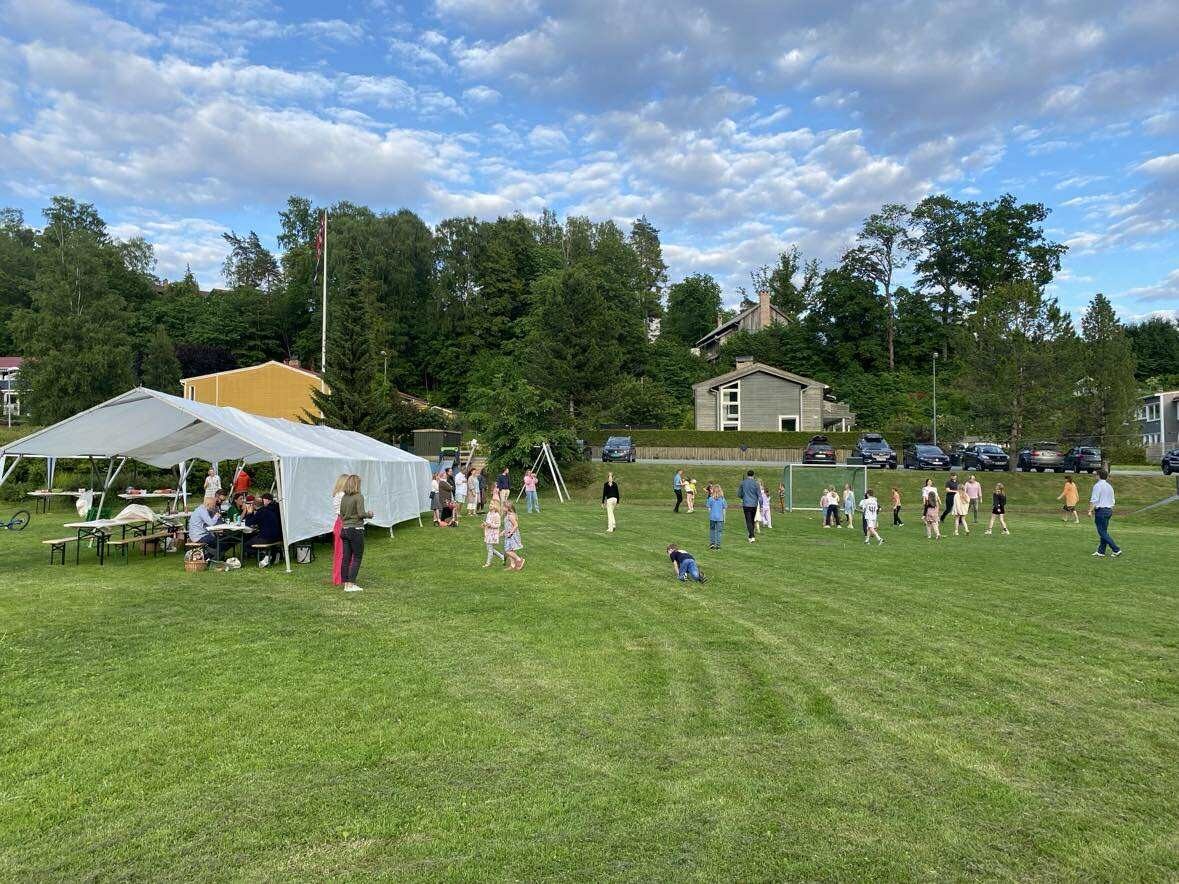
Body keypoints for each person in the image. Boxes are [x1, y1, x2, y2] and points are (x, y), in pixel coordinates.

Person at [339, 474, 372, 592]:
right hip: (355, 529)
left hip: (344, 529)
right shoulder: (359, 496)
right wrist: (370, 514)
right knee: (357, 557)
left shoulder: (344, 497)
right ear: (357, 484)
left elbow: (341, 514)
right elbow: (361, 513)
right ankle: (351, 584)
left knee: (346, 557)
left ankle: (345, 582)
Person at [1088, 469, 1121, 557]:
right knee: (1104, 531)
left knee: (1102, 532)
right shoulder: (1109, 486)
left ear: (1099, 475)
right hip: (1108, 510)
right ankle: (1101, 551)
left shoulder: (1097, 486)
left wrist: (1090, 510)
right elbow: (1113, 500)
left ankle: (1116, 549)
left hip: (1101, 511)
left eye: (1096, 474)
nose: (1095, 476)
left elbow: (1094, 500)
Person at [243, 493, 282, 566]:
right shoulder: (272, 509)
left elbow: (248, 523)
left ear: (254, 506)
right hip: (278, 536)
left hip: (267, 537)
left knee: (246, 545)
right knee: (255, 537)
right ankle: (273, 554)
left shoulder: (261, 512)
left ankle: (265, 556)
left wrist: (249, 513)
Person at [187, 495, 221, 559]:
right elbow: (211, 523)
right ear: (208, 504)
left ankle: (211, 556)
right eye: (213, 505)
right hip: (198, 537)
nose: (214, 507)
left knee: (216, 539)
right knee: (218, 540)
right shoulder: (203, 511)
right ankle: (209, 557)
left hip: (195, 535)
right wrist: (216, 515)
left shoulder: (200, 509)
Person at [331, 473, 348, 586]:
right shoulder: (342, 495)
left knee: (340, 552)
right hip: (343, 523)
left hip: (339, 522)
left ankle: (340, 577)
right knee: (344, 552)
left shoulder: (337, 494)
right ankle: (343, 577)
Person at [502, 501, 525, 570]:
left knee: (507, 550)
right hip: (508, 535)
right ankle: (512, 565)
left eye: (504, 507)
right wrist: (503, 532)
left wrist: (510, 533)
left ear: (508, 508)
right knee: (510, 550)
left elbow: (516, 525)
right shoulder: (507, 515)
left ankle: (519, 560)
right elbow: (508, 526)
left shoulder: (510, 516)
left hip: (511, 535)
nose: (502, 508)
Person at [482, 498, 505, 566]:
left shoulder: (496, 515)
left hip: (493, 534)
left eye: (492, 504)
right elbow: (487, 522)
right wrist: (484, 524)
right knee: (490, 548)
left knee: (489, 549)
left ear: (496, 506)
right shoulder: (489, 513)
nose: (490, 505)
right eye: (490, 504)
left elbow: (498, 525)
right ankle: (503, 557)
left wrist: (490, 525)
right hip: (488, 533)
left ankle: (488, 563)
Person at [738, 470, 759, 542]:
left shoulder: (743, 483)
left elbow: (739, 494)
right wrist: (761, 504)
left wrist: (743, 497)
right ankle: (751, 536)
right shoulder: (756, 483)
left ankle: (752, 535)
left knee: (748, 520)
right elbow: (759, 494)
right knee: (752, 520)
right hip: (754, 504)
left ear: (747, 475)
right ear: (753, 475)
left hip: (746, 504)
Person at [707, 483, 727, 549]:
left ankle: (712, 543)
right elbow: (724, 509)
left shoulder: (710, 499)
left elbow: (709, 508)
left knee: (712, 530)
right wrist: (724, 518)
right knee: (719, 531)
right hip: (720, 518)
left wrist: (711, 514)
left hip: (712, 517)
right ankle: (718, 545)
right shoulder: (723, 499)